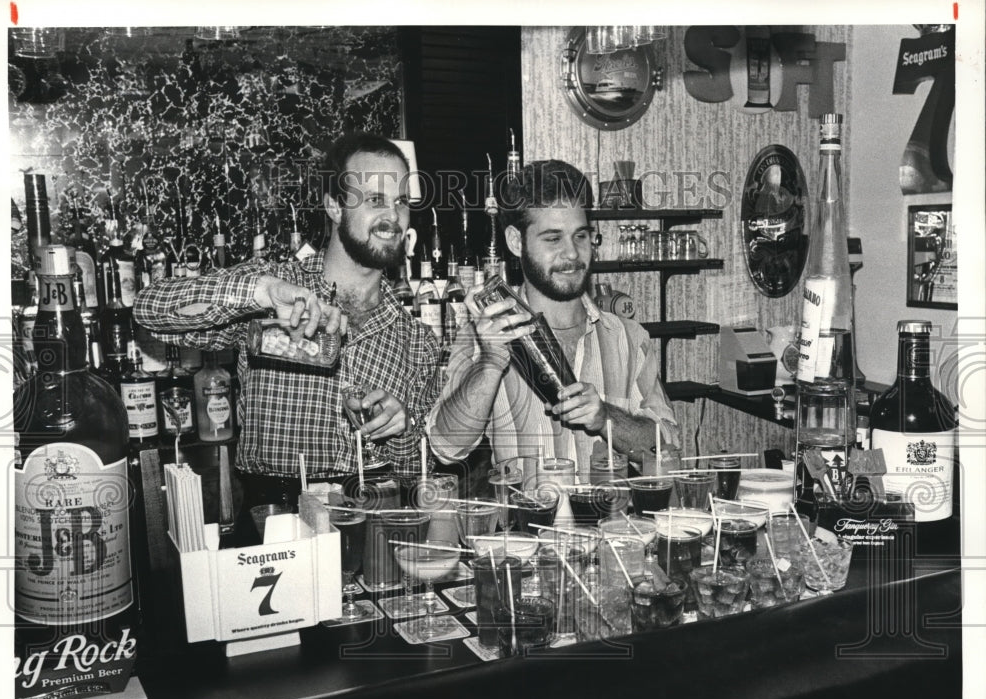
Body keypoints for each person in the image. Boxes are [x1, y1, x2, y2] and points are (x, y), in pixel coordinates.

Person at [135, 132, 441, 517]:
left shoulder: (416, 338)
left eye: (400, 201)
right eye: (375, 200)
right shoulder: (274, 288)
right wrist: (260, 292)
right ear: (333, 206)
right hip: (275, 518)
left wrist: (402, 428)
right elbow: (150, 311)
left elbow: (417, 474)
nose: (393, 217)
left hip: (373, 516)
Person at [427, 158, 678, 477]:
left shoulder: (627, 338)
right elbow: (446, 448)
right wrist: (491, 362)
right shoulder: (483, 337)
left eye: (581, 236)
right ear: (516, 242)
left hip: (616, 525)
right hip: (526, 525)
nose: (572, 253)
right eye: (553, 238)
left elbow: (667, 450)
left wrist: (605, 418)